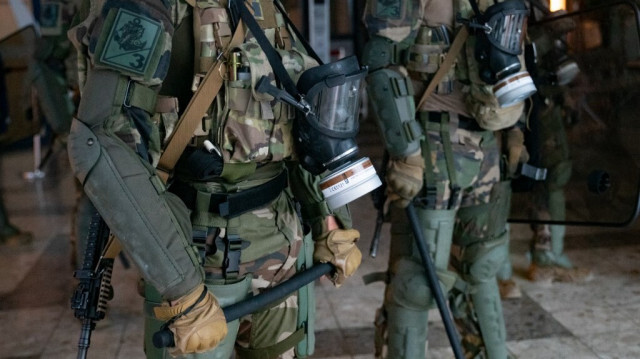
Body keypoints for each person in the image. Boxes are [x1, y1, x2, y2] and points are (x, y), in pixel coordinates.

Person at [67, 0, 362, 357]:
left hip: (284, 244)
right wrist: (183, 288)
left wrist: (328, 218)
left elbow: (294, 113)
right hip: (198, 255)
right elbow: (101, 139)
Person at [362, 0, 534, 357]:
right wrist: (405, 151)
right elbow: (380, 61)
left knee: (482, 265)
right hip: (430, 150)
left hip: (488, 147)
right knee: (416, 282)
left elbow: (513, 56)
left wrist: (517, 129)